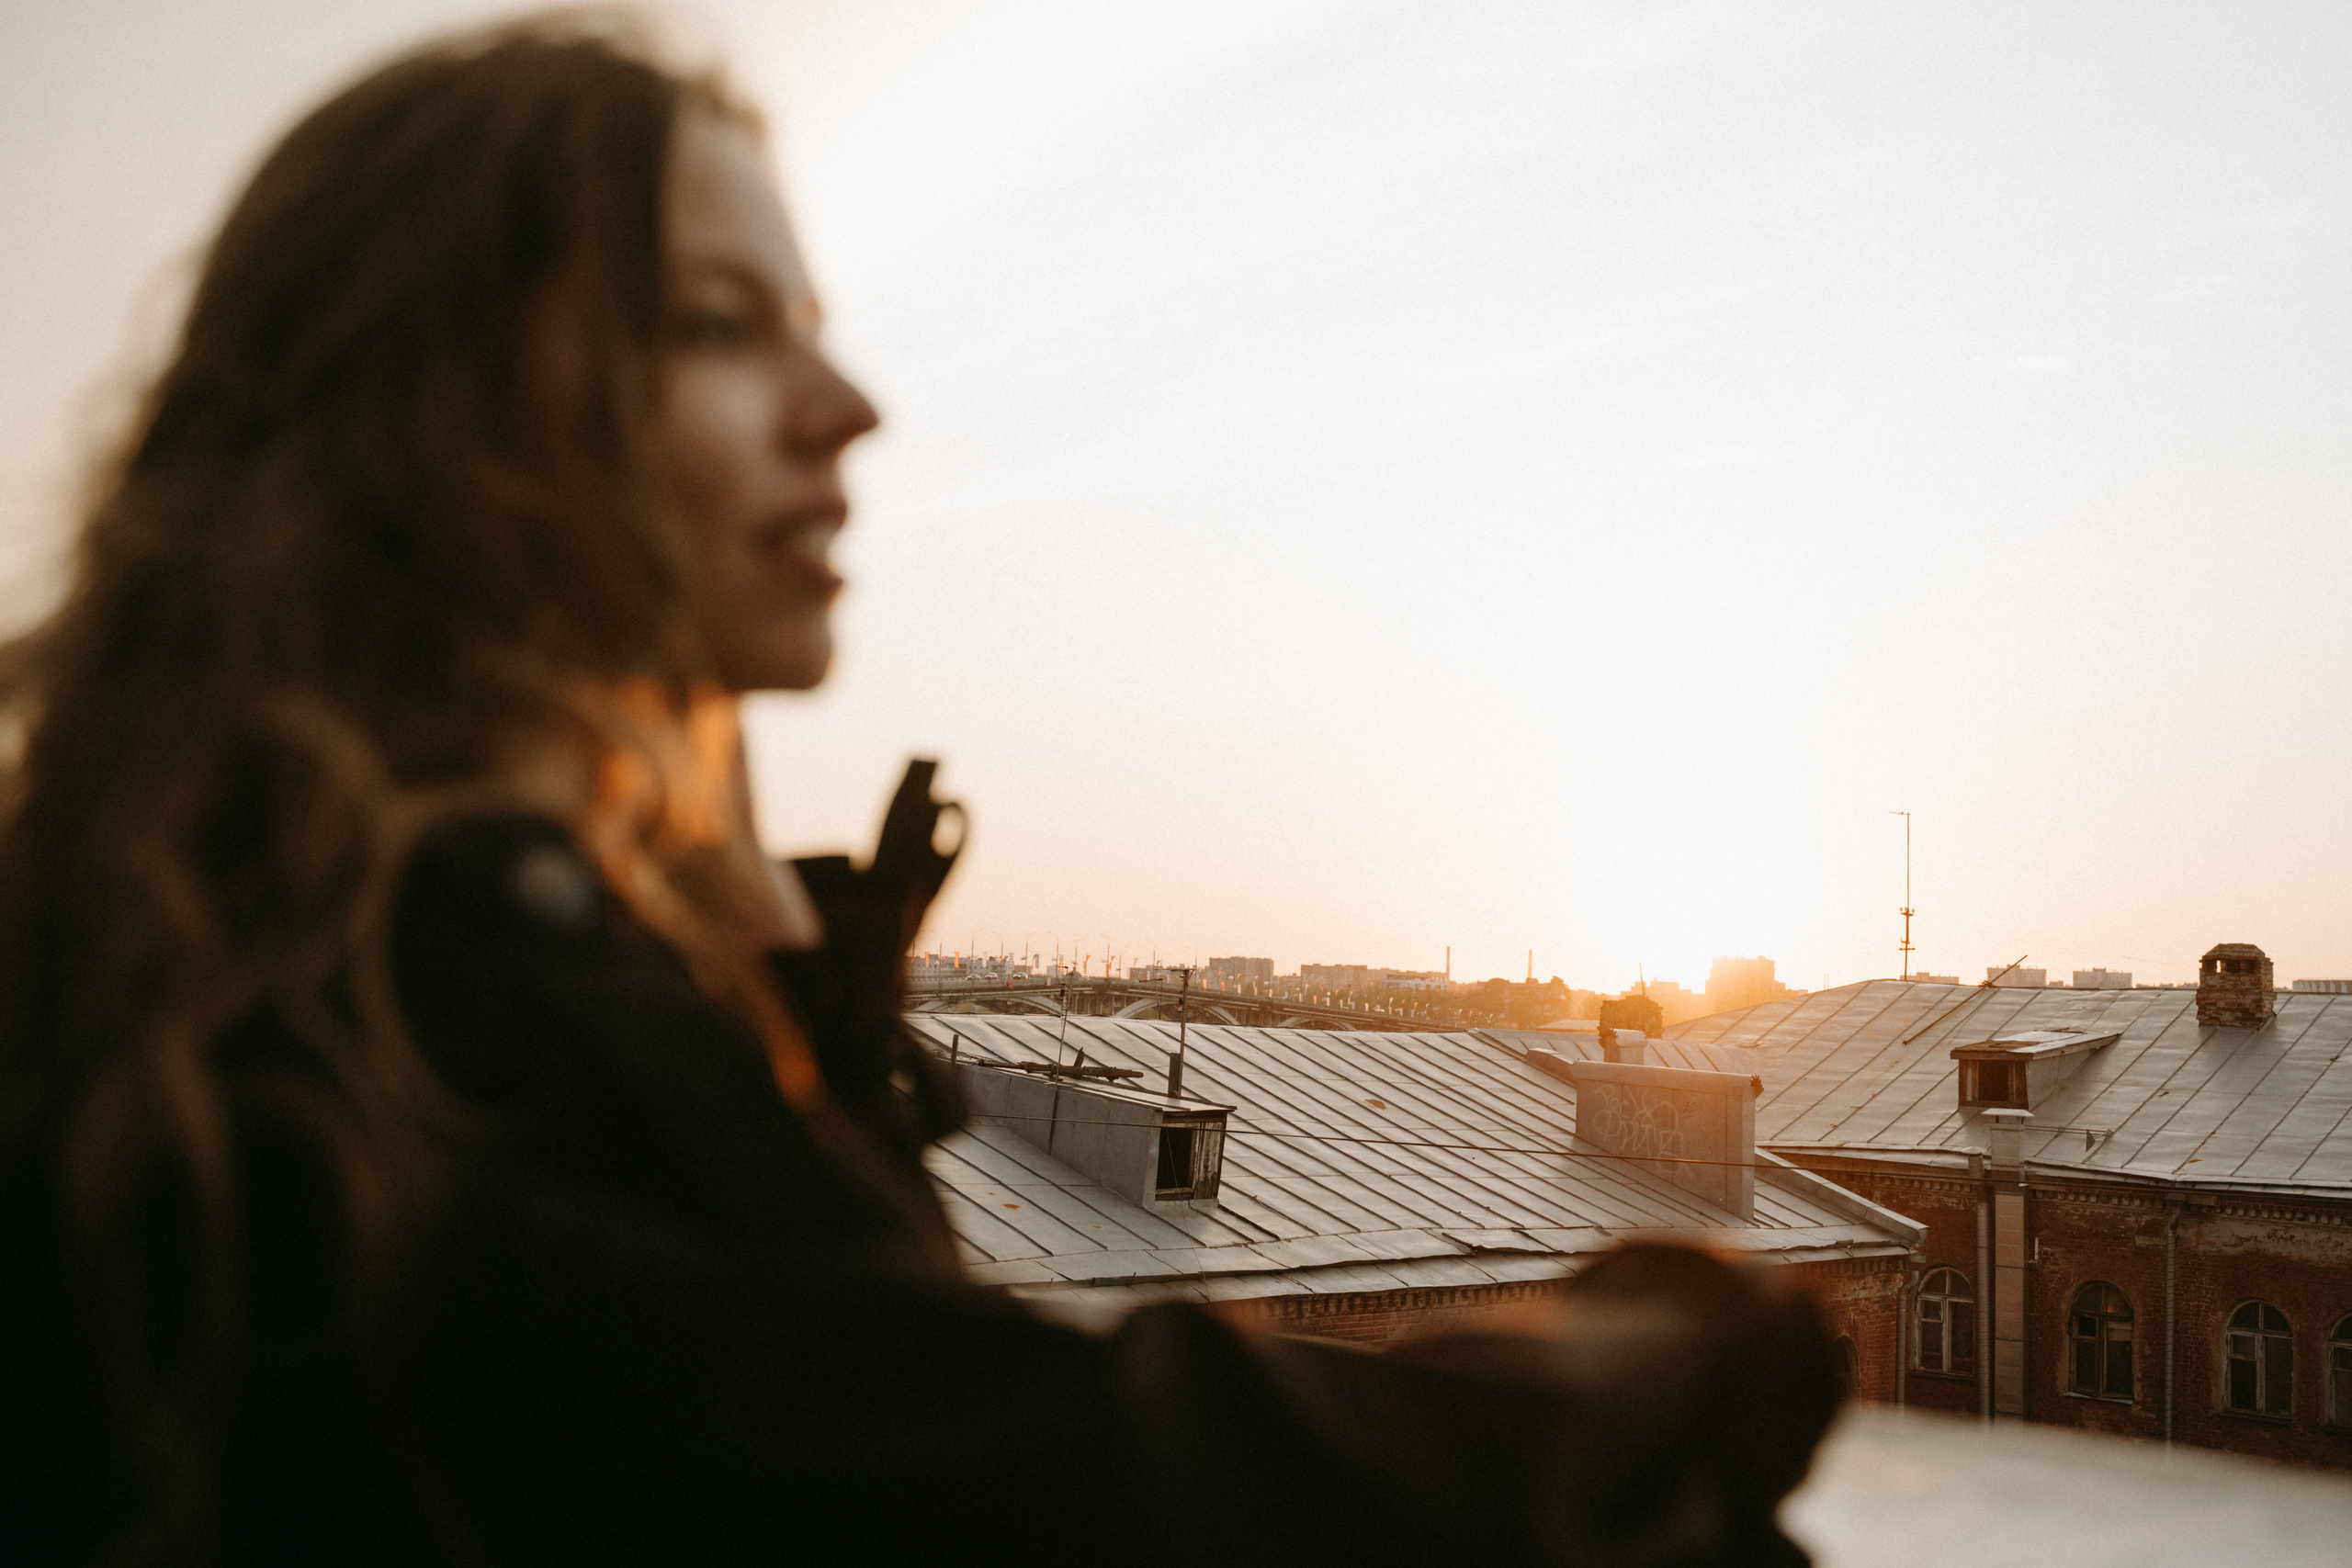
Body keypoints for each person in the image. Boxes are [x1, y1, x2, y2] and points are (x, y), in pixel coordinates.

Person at [0, 14, 1838, 1566]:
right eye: (721, 325)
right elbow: (1021, 1474)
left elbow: (821, 1362)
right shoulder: (421, 1004)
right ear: (446, 413)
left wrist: (769, 934)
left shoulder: (236, 920)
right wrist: (1661, 1331)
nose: (846, 403)